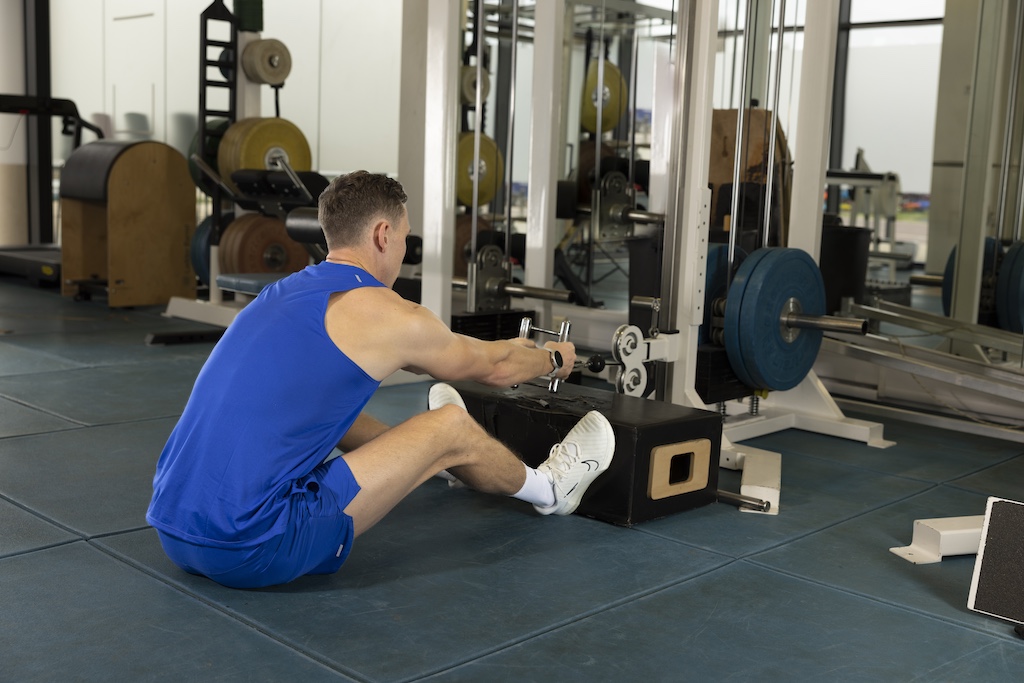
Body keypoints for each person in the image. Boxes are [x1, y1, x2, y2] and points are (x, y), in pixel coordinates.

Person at [146, 170, 615, 589]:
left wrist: (414, 455)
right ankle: (551, 489)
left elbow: (335, 405)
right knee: (450, 424)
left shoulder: (279, 295)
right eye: (406, 238)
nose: (404, 252)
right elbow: (494, 369)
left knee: (334, 412)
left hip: (176, 530)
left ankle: (442, 462)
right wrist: (552, 357)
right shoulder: (389, 314)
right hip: (254, 547)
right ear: (382, 233)